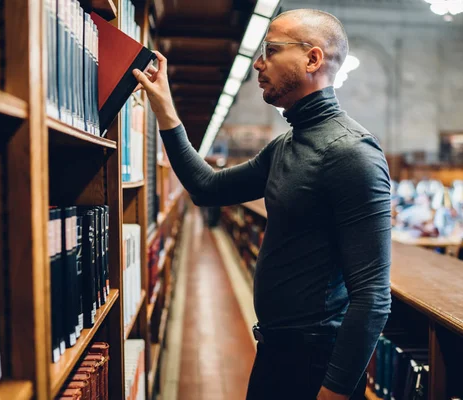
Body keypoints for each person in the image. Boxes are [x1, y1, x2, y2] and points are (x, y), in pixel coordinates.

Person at [133, 8, 391, 400]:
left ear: (312, 59)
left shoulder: (352, 153)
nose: (258, 63)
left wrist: (334, 392)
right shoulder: (285, 146)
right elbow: (206, 187)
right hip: (276, 351)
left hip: (315, 364)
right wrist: (165, 111)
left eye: (270, 50)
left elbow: (373, 294)